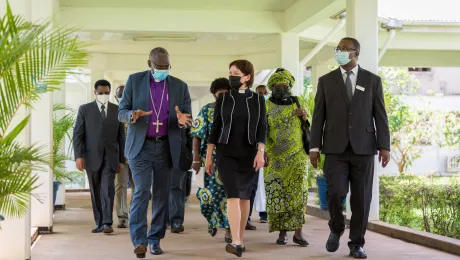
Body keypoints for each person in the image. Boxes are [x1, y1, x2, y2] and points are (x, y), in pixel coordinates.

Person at [310, 37, 390, 259]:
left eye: (344, 49)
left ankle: (356, 243)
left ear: (356, 53)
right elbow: (318, 117)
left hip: (364, 148)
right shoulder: (326, 81)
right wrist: (314, 147)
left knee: (361, 199)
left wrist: (384, 146)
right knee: (335, 193)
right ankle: (336, 228)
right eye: (338, 49)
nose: (340, 52)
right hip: (335, 148)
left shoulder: (372, 80)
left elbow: (380, 115)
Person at [118, 47, 193, 258]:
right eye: (158, 66)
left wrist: (182, 120)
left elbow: (187, 117)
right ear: (149, 63)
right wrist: (132, 115)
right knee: (141, 192)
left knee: (162, 194)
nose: (162, 70)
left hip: (167, 147)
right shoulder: (134, 81)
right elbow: (121, 112)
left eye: (166, 67)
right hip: (140, 147)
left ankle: (155, 239)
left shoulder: (180, 86)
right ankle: (139, 241)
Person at [206, 60, 267, 257]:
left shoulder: (258, 100)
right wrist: (208, 157)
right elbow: (214, 129)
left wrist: (260, 152)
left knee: (245, 196)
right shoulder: (224, 99)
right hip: (226, 153)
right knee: (232, 194)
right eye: (230, 72)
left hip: (249, 153)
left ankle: (239, 240)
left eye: (235, 72)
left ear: (247, 77)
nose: (231, 76)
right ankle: (235, 240)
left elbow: (262, 128)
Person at [73, 79, 125, 234]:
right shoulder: (85, 110)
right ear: (95, 92)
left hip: (111, 157)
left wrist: (121, 159)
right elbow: (78, 134)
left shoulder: (117, 110)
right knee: (95, 191)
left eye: (107, 93)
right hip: (91, 157)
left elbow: (121, 137)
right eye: (101, 92)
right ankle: (99, 222)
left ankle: (108, 223)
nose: (104, 95)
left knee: (107, 188)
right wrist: (78, 156)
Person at [264, 69, 310, 246]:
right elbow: (263, 130)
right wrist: (264, 151)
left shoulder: (298, 101)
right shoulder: (266, 105)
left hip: (297, 156)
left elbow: (308, 125)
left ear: (290, 86)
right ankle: (282, 233)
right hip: (274, 158)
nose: (282, 88)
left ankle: (298, 233)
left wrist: (304, 116)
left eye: (285, 85)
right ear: (272, 87)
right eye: (278, 86)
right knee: (277, 194)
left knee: (299, 194)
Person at [191, 77, 232, 243]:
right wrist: (195, 159)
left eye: (225, 94)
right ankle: (213, 221)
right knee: (207, 195)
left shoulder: (235, 111)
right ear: (214, 95)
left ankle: (229, 229)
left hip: (230, 160)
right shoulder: (207, 110)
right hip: (210, 161)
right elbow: (196, 135)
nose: (222, 98)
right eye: (219, 95)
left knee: (230, 196)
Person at [113, 85, 133, 229]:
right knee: (120, 187)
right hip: (121, 159)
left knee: (139, 188)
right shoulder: (113, 113)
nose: (122, 98)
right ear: (116, 97)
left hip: (137, 157)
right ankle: (122, 217)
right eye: (120, 95)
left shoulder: (136, 112)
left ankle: (137, 214)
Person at [254, 84, 269, 224]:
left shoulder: (271, 108)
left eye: (265, 93)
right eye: (260, 93)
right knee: (258, 183)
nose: (262, 95)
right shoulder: (253, 108)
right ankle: (261, 212)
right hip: (257, 151)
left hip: (271, 151)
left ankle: (265, 211)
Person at [168, 168, 187, 233]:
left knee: (176, 185)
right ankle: (164, 217)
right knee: (161, 187)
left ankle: (176, 221)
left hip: (177, 160)